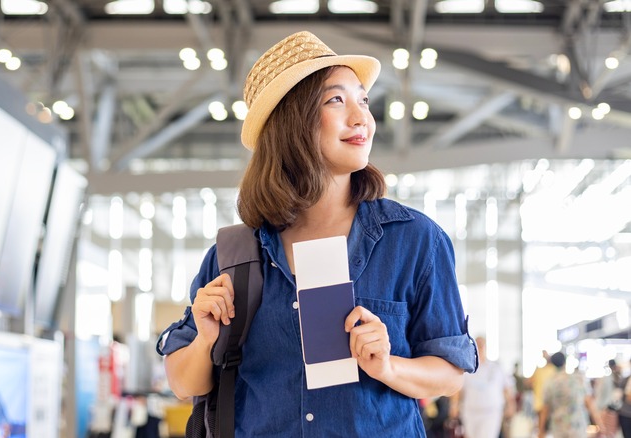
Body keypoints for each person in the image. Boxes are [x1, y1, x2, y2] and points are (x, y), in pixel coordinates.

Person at [155, 30, 478, 436]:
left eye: (363, 99)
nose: (362, 117)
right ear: (292, 122)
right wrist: (206, 341)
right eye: (336, 100)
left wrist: (388, 365)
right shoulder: (233, 255)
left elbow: (450, 373)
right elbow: (184, 383)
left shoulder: (415, 241)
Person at [449, 336, 514, 438]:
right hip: (470, 411)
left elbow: (507, 388)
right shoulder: (467, 368)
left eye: (482, 345)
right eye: (477, 345)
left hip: (491, 412)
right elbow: (458, 389)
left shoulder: (496, 368)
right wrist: (454, 405)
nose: (480, 348)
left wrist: (510, 405)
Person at [538, 352, 605, 438]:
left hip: (559, 427)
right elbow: (589, 403)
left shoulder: (550, 383)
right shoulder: (578, 380)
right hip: (578, 427)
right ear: (565, 362)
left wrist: (541, 431)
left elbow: (545, 409)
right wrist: (599, 424)